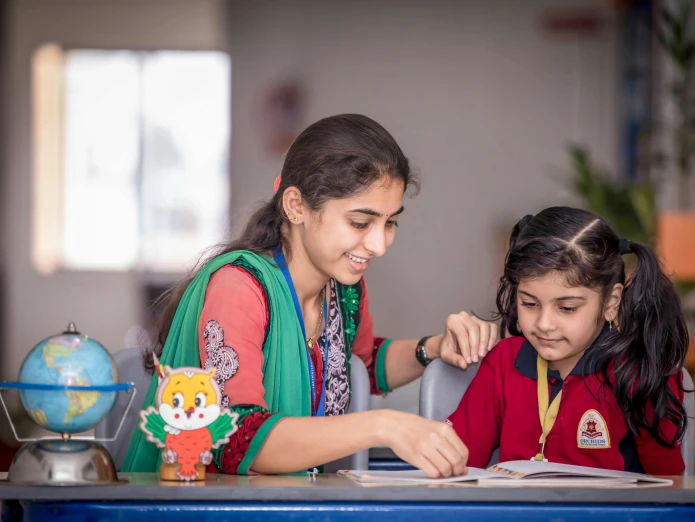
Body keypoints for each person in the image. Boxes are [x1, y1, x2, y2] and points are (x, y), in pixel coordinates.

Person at [123, 114, 498, 478]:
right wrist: (383, 426)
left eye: (391, 223)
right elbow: (238, 439)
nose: (378, 244)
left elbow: (358, 367)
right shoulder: (238, 288)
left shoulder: (345, 288)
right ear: (296, 206)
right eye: (360, 223)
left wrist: (434, 347)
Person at [446, 207, 689, 475]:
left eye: (568, 308)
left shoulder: (639, 370)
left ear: (611, 302)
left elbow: (668, 486)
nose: (544, 324)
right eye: (529, 303)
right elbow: (456, 464)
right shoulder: (503, 362)